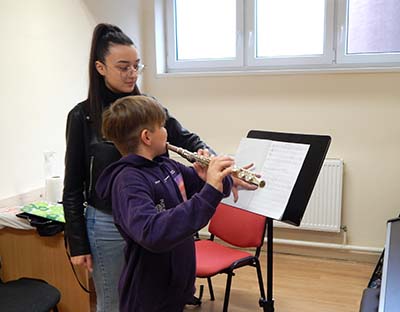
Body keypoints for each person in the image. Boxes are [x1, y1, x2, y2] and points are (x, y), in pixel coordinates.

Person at [62, 23, 220, 312]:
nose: (132, 73)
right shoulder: (82, 116)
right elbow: (72, 186)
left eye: (136, 66)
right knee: (113, 303)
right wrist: (78, 243)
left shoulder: (148, 106)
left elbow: (186, 138)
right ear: (100, 67)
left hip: (151, 219)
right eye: (123, 67)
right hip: (106, 224)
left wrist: (215, 163)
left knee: (149, 299)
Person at [96, 95, 234, 311]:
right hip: (149, 295)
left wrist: (214, 179)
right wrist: (210, 189)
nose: (166, 130)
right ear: (147, 137)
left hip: (175, 286)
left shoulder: (166, 166)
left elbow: (208, 193)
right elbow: (153, 232)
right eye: (161, 125)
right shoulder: (128, 181)